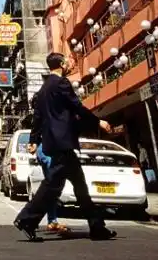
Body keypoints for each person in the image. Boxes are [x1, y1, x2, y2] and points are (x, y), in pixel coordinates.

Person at [14, 52, 116, 241]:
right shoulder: (61, 83)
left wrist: (33, 141)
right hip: (63, 142)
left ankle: (96, 227)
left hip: (55, 142)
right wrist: (97, 122)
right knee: (52, 185)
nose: (70, 64)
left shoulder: (43, 89)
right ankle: (26, 219)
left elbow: (38, 118)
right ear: (61, 64)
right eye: (67, 61)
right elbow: (77, 106)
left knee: (78, 186)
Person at [31, 84, 69, 234]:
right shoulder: (44, 116)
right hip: (46, 152)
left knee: (51, 189)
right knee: (49, 189)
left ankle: (51, 221)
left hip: (47, 151)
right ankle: (31, 219)